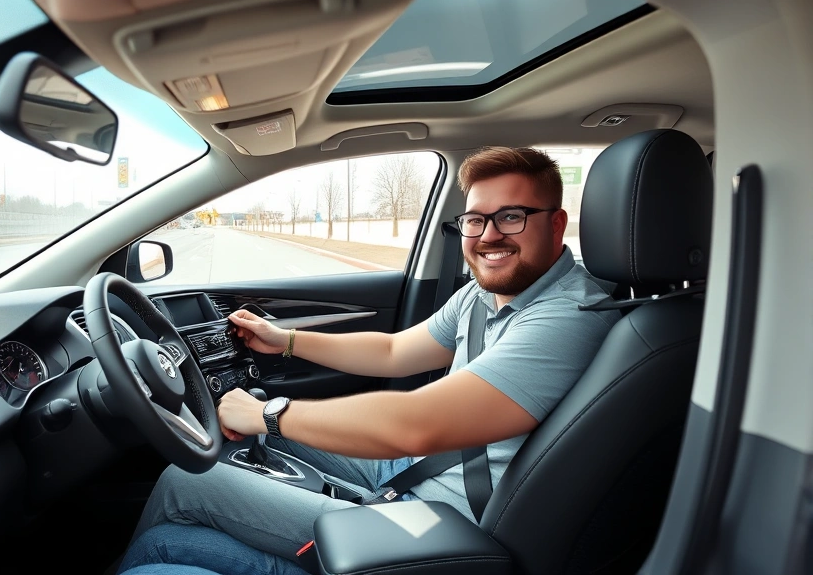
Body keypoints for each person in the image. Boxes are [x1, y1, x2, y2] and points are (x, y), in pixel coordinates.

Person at [125, 147, 621, 572]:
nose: (488, 235)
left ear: (556, 223)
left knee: (181, 491)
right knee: (233, 460)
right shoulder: (483, 294)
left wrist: (267, 413)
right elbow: (394, 351)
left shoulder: (568, 316)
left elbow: (417, 424)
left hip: (434, 528)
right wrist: (286, 340)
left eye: (511, 216)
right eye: (475, 219)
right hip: (412, 473)